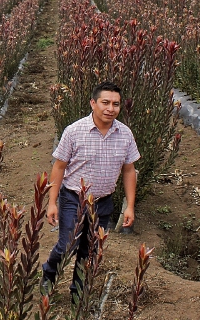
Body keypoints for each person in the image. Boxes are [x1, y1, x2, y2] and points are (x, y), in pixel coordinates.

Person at [41, 81, 140, 298]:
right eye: (105, 102)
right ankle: (48, 275)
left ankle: (78, 291)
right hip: (73, 198)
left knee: (91, 249)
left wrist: (130, 206)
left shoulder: (125, 134)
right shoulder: (74, 131)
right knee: (68, 244)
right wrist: (51, 202)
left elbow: (129, 170)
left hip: (103, 201)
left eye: (115, 104)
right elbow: (59, 167)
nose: (110, 109)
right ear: (93, 103)